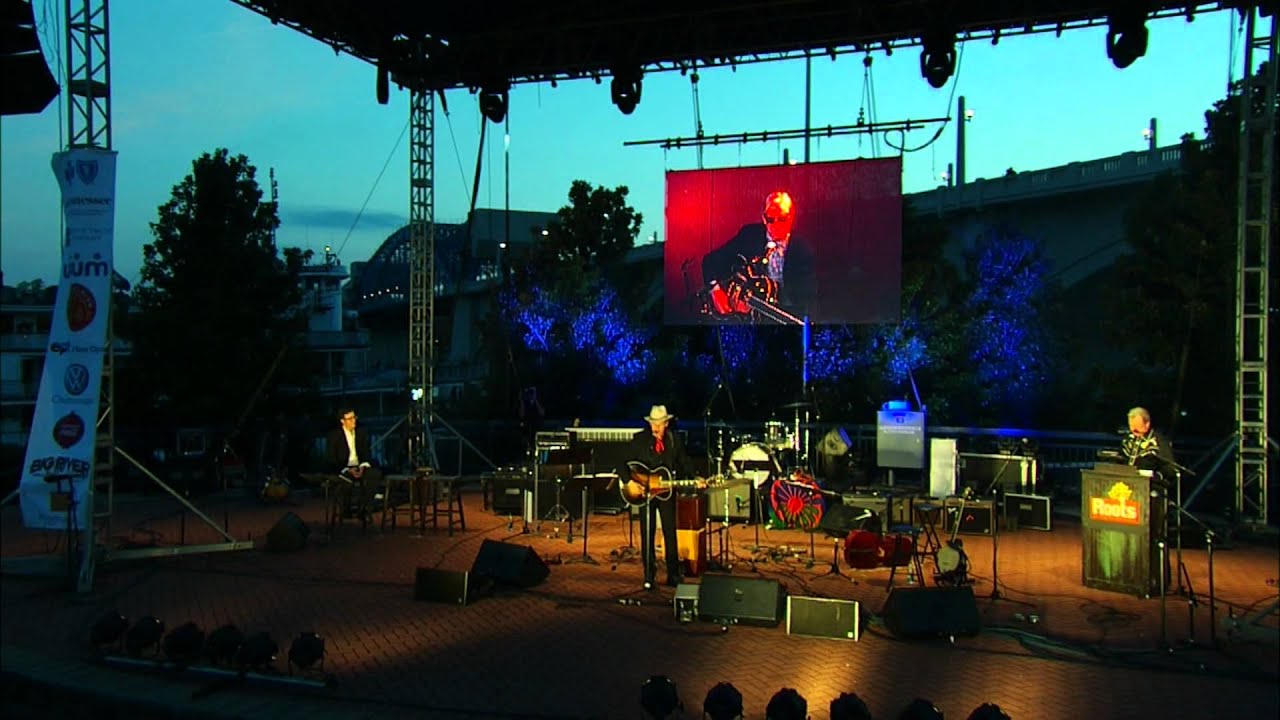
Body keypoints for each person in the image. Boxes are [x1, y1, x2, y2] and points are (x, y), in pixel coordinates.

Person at [700, 190, 817, 322]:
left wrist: (762, 302)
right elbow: (711, 261)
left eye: (782, 219)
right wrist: (715, 291)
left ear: (791, 217)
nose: (776, 225)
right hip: (745, 320)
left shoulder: (802, 250)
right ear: (763, 218)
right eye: (770, 219)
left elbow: (806, 299)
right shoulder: (750, 235)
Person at [620, 405, 698, 589]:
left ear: (666, 423)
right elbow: (620, 461)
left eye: (659, 424)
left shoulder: (674, 440)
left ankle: (673, 574)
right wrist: (628, 482)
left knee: (670, 532)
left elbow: (684, 462)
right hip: (644, 491)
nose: (655, 427)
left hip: (665, 491)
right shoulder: (640, 439)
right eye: (653, 423)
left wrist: (694, 478)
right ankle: (649, 575)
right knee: (648, 532)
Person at [324, 407, 383, 523]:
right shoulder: (334, 435)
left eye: (354, 417)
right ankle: (346, 510)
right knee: (346, 482)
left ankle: (362, 508)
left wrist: (362, 466)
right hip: (343, 467)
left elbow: (366, 453)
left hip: (359, 465)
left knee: (375, 474)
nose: (353, 421)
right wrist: (347, 469)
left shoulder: (361, 432)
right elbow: (331, 458)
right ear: (342, 421)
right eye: (350, 419)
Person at [1121, 406, 1175, 473]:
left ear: (1147, 424)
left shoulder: (1159, 441)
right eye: (1131, 426)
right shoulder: (1128, 439)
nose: (1134, 430)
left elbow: (1169, 468)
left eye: (1137, 426)